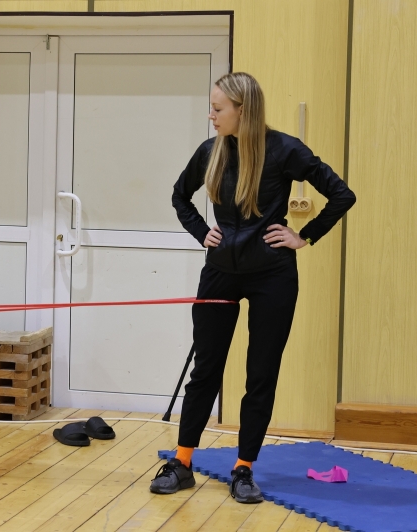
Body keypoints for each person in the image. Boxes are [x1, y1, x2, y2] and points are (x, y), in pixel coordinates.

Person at [151, 72, 356, 503]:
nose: (211, 116)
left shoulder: (285, 150)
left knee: (260, 374)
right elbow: (180, 196)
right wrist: (201, 231)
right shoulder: (210, 151)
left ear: (242, 111)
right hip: (220, 272)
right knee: (206, 370)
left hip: (272, 277)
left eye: (218, 109)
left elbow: (341, 194)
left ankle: (243, 469)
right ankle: (182, 462)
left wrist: (305, 235)